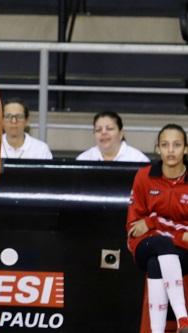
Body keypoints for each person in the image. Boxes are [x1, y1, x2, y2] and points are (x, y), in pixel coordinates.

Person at [127, 123, 188, 333]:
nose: (170, 150)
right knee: (160, 245)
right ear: (157, 148)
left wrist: (153, 222)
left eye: (177, 145)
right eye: (165, 145)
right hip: (146, 244)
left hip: (181, 249)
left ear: (186, 149)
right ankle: (183, 317)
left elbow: (147, 223)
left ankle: (156, 330)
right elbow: (135, 226)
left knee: (156, 265)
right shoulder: (144, 176)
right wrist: (177, 231)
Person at [76, 111, 150, 162]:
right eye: (98, 130)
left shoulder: (138, 160)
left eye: (109, 128)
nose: (103, 132)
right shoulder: (83, 159)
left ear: (121, 133)